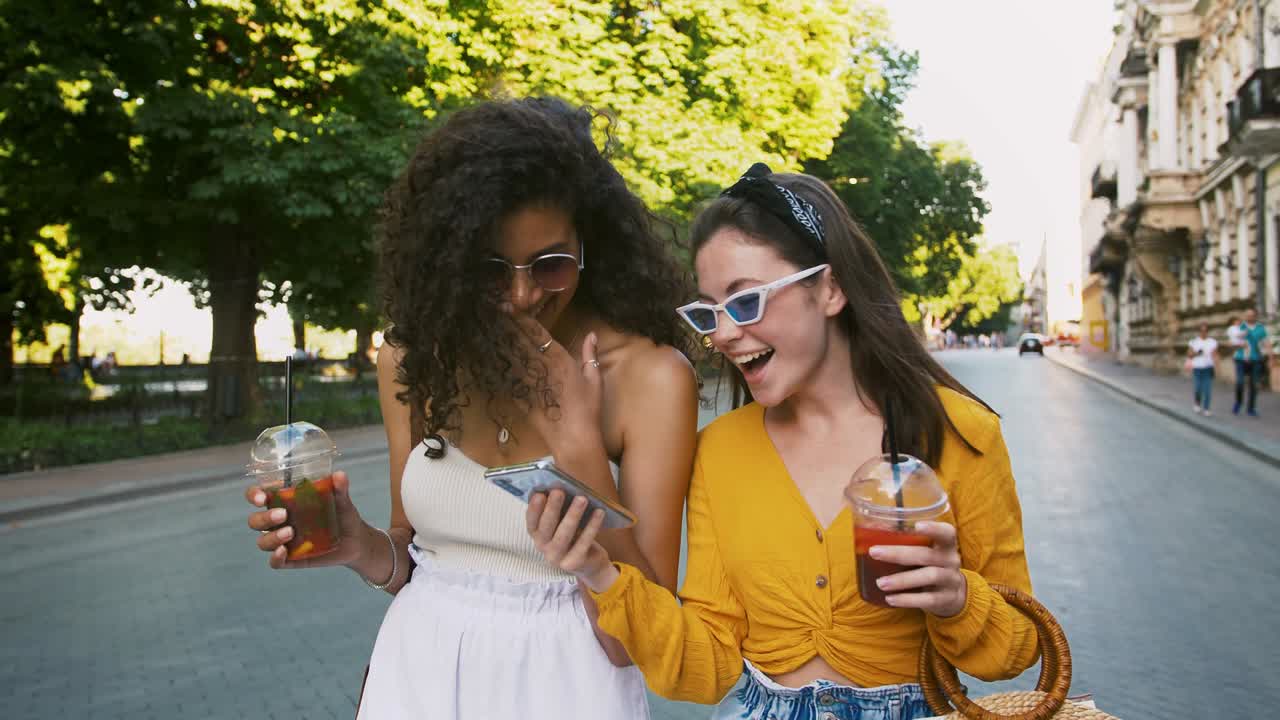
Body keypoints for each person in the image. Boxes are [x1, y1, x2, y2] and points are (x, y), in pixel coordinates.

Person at [243, 97, 700, 719]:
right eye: (491, 270)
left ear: (589, 246)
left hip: (566, 686)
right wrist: (358, 545)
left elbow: (636, 644)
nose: (520, 295)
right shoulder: (412, 359)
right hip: (419, 673)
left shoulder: (650, 377)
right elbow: (414, 559)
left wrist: (578, 446)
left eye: (551, 264)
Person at [528, 164, 1037, 720]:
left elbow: (1018, 647)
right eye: (710, 311)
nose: (721, 333)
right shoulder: (720, 450)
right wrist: (600, 571)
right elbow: (710, 665)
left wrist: (959, 600)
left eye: (746, 301)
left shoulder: (961, 434)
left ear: (831, 288)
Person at [1233, 308, 1271, 417]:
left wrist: (1270, 357)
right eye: (1247, 315)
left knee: (1254, 385)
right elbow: (1232, 342)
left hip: (1255, 359)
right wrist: (1238, 345)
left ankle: (1251, 408)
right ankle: (1238, 402)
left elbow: (1266, 343)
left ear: (1255, 316)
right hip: (1241, 358)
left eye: (1251, 315)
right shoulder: (1240, 327)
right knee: (1240, 382)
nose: (1249, 317)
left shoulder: (1260, 328)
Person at [1187, 322, 1218, 416]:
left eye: (1205, 331)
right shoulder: (1194, 341)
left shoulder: (1212, 342)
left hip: (1208, 368)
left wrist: (1217, 365)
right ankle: (1197, 403)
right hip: (1197, 368)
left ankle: (1207, 408)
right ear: (1199, 332)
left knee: (1207, 390)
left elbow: (1215, 354)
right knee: (1198, 389)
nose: (1203, 332)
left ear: (1208, 331)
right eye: (1201, 331)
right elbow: (1189, 355)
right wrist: (1197, 353)